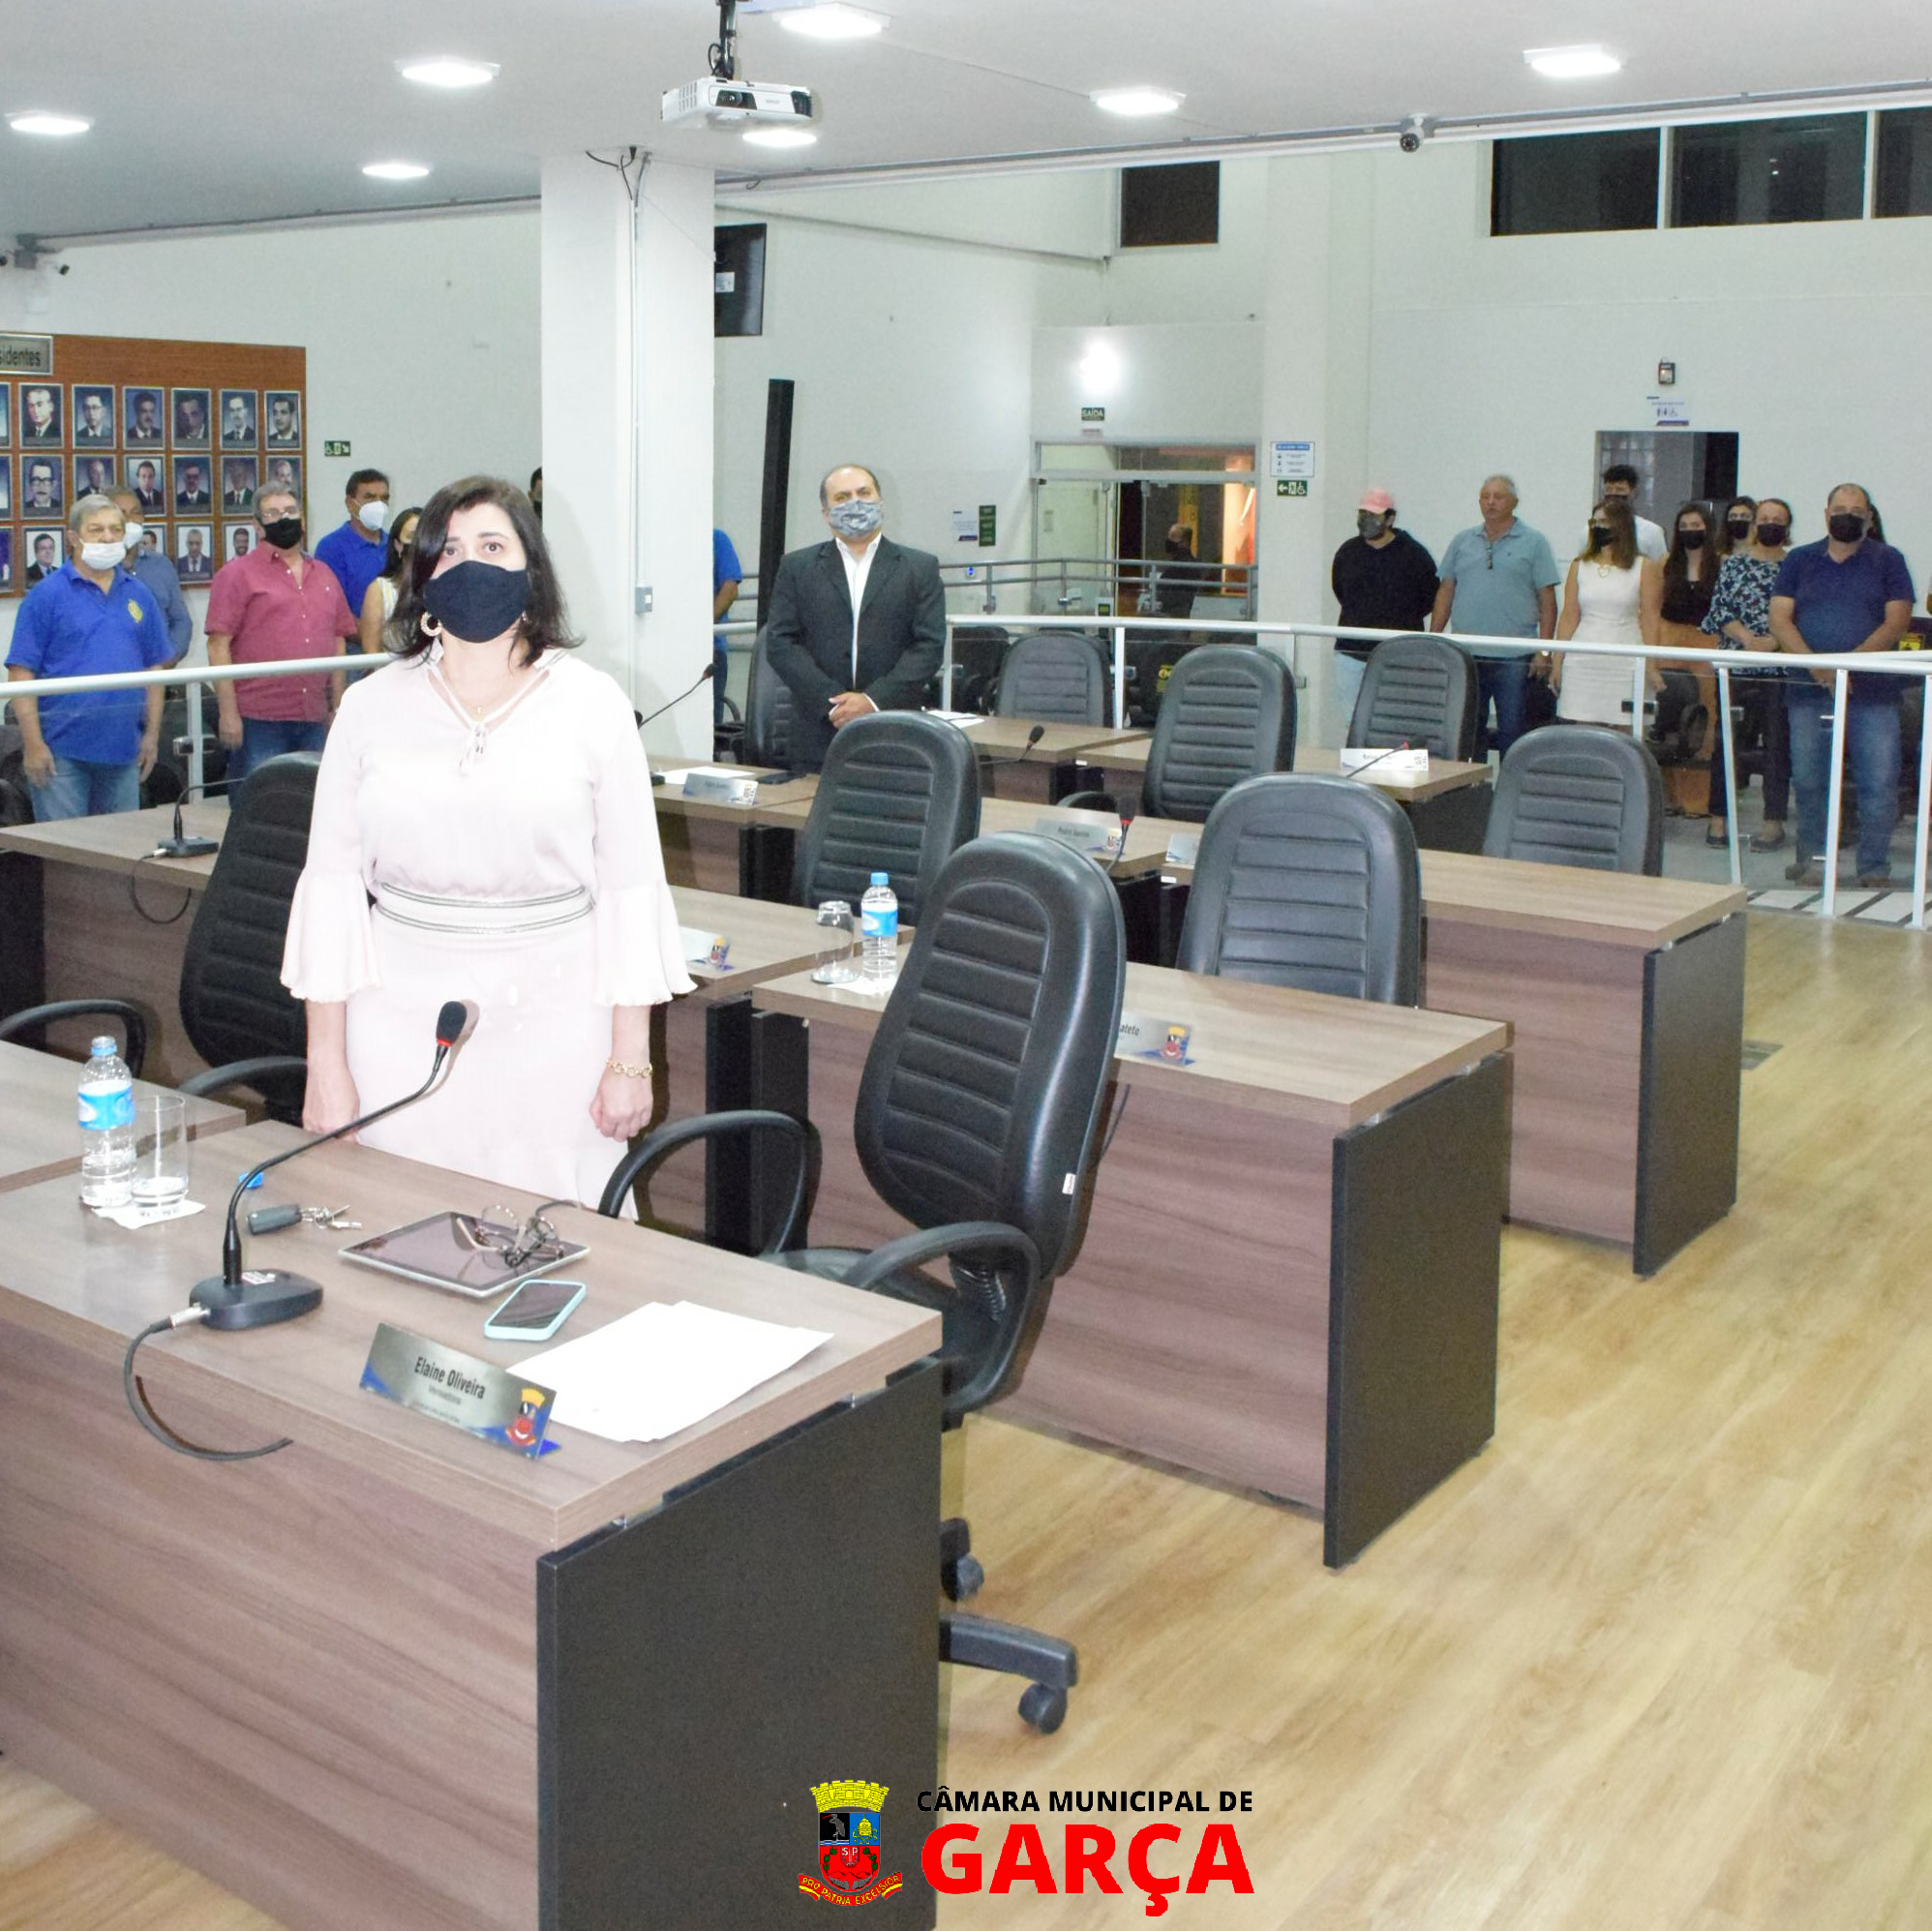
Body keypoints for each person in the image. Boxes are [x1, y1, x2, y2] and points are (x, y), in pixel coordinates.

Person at [281, 473, 693, 1205]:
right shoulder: (370, 707)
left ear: (532, 570)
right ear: (422, 575)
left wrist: (631, 1060)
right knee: (398, 1222)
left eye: (493, 546)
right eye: (449, 550)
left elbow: (630, 887)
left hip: (557, 1020)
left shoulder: (593, 703)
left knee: (559, 1234)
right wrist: (326, 1062)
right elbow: (332, 891)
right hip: (399, 1019)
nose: (469, 564)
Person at [1767, 483, 1915, 889]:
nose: (1846, 516)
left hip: (1874, 693)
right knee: (1809, 780)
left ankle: (1874, 868)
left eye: (1856, 510)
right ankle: (1814, 862)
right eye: (1839, 509)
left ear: (1869, 517)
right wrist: (1818, 667)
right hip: (1807, 690)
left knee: (1878, 782)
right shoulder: (1800, 559)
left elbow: (1897, 621)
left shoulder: (1888, 560)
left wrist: (1847, 666)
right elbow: (1779, 618)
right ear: (1826, 514)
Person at [763, 463, 945, 771]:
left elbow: (929, 646)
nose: (855, 503)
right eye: (842, 497)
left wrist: (872, 701)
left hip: (895, 729)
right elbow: (781, 644)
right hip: (818, 732)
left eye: (864, 493)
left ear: (880, 501)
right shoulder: (797, 567)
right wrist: (833, 703)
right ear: (826, 513)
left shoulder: (920, 568)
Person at [4, 495, 169, 821]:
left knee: (118, 846)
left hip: (124, 750)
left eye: (115, 529)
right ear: (73, 538)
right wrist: (33, 744)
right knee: (66, 848)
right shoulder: (46, 596)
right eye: (96, 530)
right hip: (60, 754)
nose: (108, 538)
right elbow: (21, 674)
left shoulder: (139, 594)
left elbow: (155, 667)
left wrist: (151, 736)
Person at [204, 485, 356, 779]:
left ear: (302, 519)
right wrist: (228, 713)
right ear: (257, 525)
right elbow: (217, 646)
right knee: (261, 799)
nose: (283, 519)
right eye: (272, 513)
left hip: (314, 714)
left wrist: (337, 706)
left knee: (311, 798)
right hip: (259, 718)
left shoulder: (324, 574)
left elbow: (338, 640)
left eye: (290, 511)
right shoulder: (236, 574)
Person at [1431, 474, 1561, 756]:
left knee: (1512, 731)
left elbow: (1547, 599)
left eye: (1498, 496)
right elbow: (1446, 590)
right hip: (1466, 655)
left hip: (1514, 656)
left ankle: (1509, 782)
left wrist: (1545, 650)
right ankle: (1473, 781)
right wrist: (1434, 639)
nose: (1490, 502)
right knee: (1467, 731)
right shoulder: (1462, 541)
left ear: (1514, 502)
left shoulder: (1534, 542)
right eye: (1485, 496)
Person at [1704, 498, 1793, 853]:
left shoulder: (1795, 565)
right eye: (1764, 518)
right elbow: (1719, 609)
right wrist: (1747, 639)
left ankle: (1773, 822)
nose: (1770, 524)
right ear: (1755, 524)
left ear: (1787, 526)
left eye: (1778, 519)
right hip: (1736, 666)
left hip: (1780, 668)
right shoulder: (1733, 564)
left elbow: (1800, 613)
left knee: (1777, 746)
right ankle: (1718, 818)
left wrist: (1775, 641)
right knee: (1727, 744)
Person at [1330, 486, 1440, 729]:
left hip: (1400, 653)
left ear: (1390, 519)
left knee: (1398, 719)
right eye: (1362, 513)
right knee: (1354, 720)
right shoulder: (1348, 552)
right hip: (1351, 652)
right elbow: (1340, 589)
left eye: (1373, 515)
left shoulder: (1414, 554)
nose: (1365, 520)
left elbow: (1429, 597)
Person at [1552, 499, 1662, 727]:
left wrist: (1651, 665)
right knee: (1584, 729)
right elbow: (1569, 616)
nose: (1597, 527)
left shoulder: (1643, 566)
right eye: (1594, 522)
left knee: (1625, 727)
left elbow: (1650, 619)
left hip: (1625, 659)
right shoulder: (1579, 565)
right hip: (1583, 659)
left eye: (1604, 522)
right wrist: (1557, 661)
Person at [1657, 501, 1724, 831]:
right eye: (1684, 526)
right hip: (1669, 643)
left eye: (1696, 526)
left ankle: (1699, 800)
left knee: (1704, 722)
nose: (1690, 532)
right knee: (1669, 721)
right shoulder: (1664, 564)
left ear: (1708, 529)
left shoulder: (1722, 565)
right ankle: (1668, 796)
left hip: (1708, 645)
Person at [109, 486, 193, 663]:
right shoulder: (96, 569)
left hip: (159, 671)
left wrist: (167, 661)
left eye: (136, 513)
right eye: (122, 513)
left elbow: (181, 621)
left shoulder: (161, 565)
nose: (130, 520)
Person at [315, 467, 392, 619]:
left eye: (384, 498)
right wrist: (370, 632)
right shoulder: (331, 547)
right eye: (370, 497)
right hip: (355, 633)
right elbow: (334, 607)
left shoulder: (395, 544)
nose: (379, 504)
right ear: (350, 503)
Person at [357, 504, 422, 654]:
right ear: (398, 545)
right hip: (393, 668)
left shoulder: (443, 587)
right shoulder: (379, 590)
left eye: (424, 536)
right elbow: (371, 651)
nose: (419, 543)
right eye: (412, 537)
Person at [1601, 464, 1667, 561]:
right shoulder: (1591, 529)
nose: (1613, 494)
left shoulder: (1652, 532)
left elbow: (1659, 567)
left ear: (1633, 493)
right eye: (1608, 489)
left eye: (1620, 490)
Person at [711, 526, 742, 724]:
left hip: (712, 649)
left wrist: (701, 630)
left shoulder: (717, 539)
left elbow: (730, 589)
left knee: (710, 722)